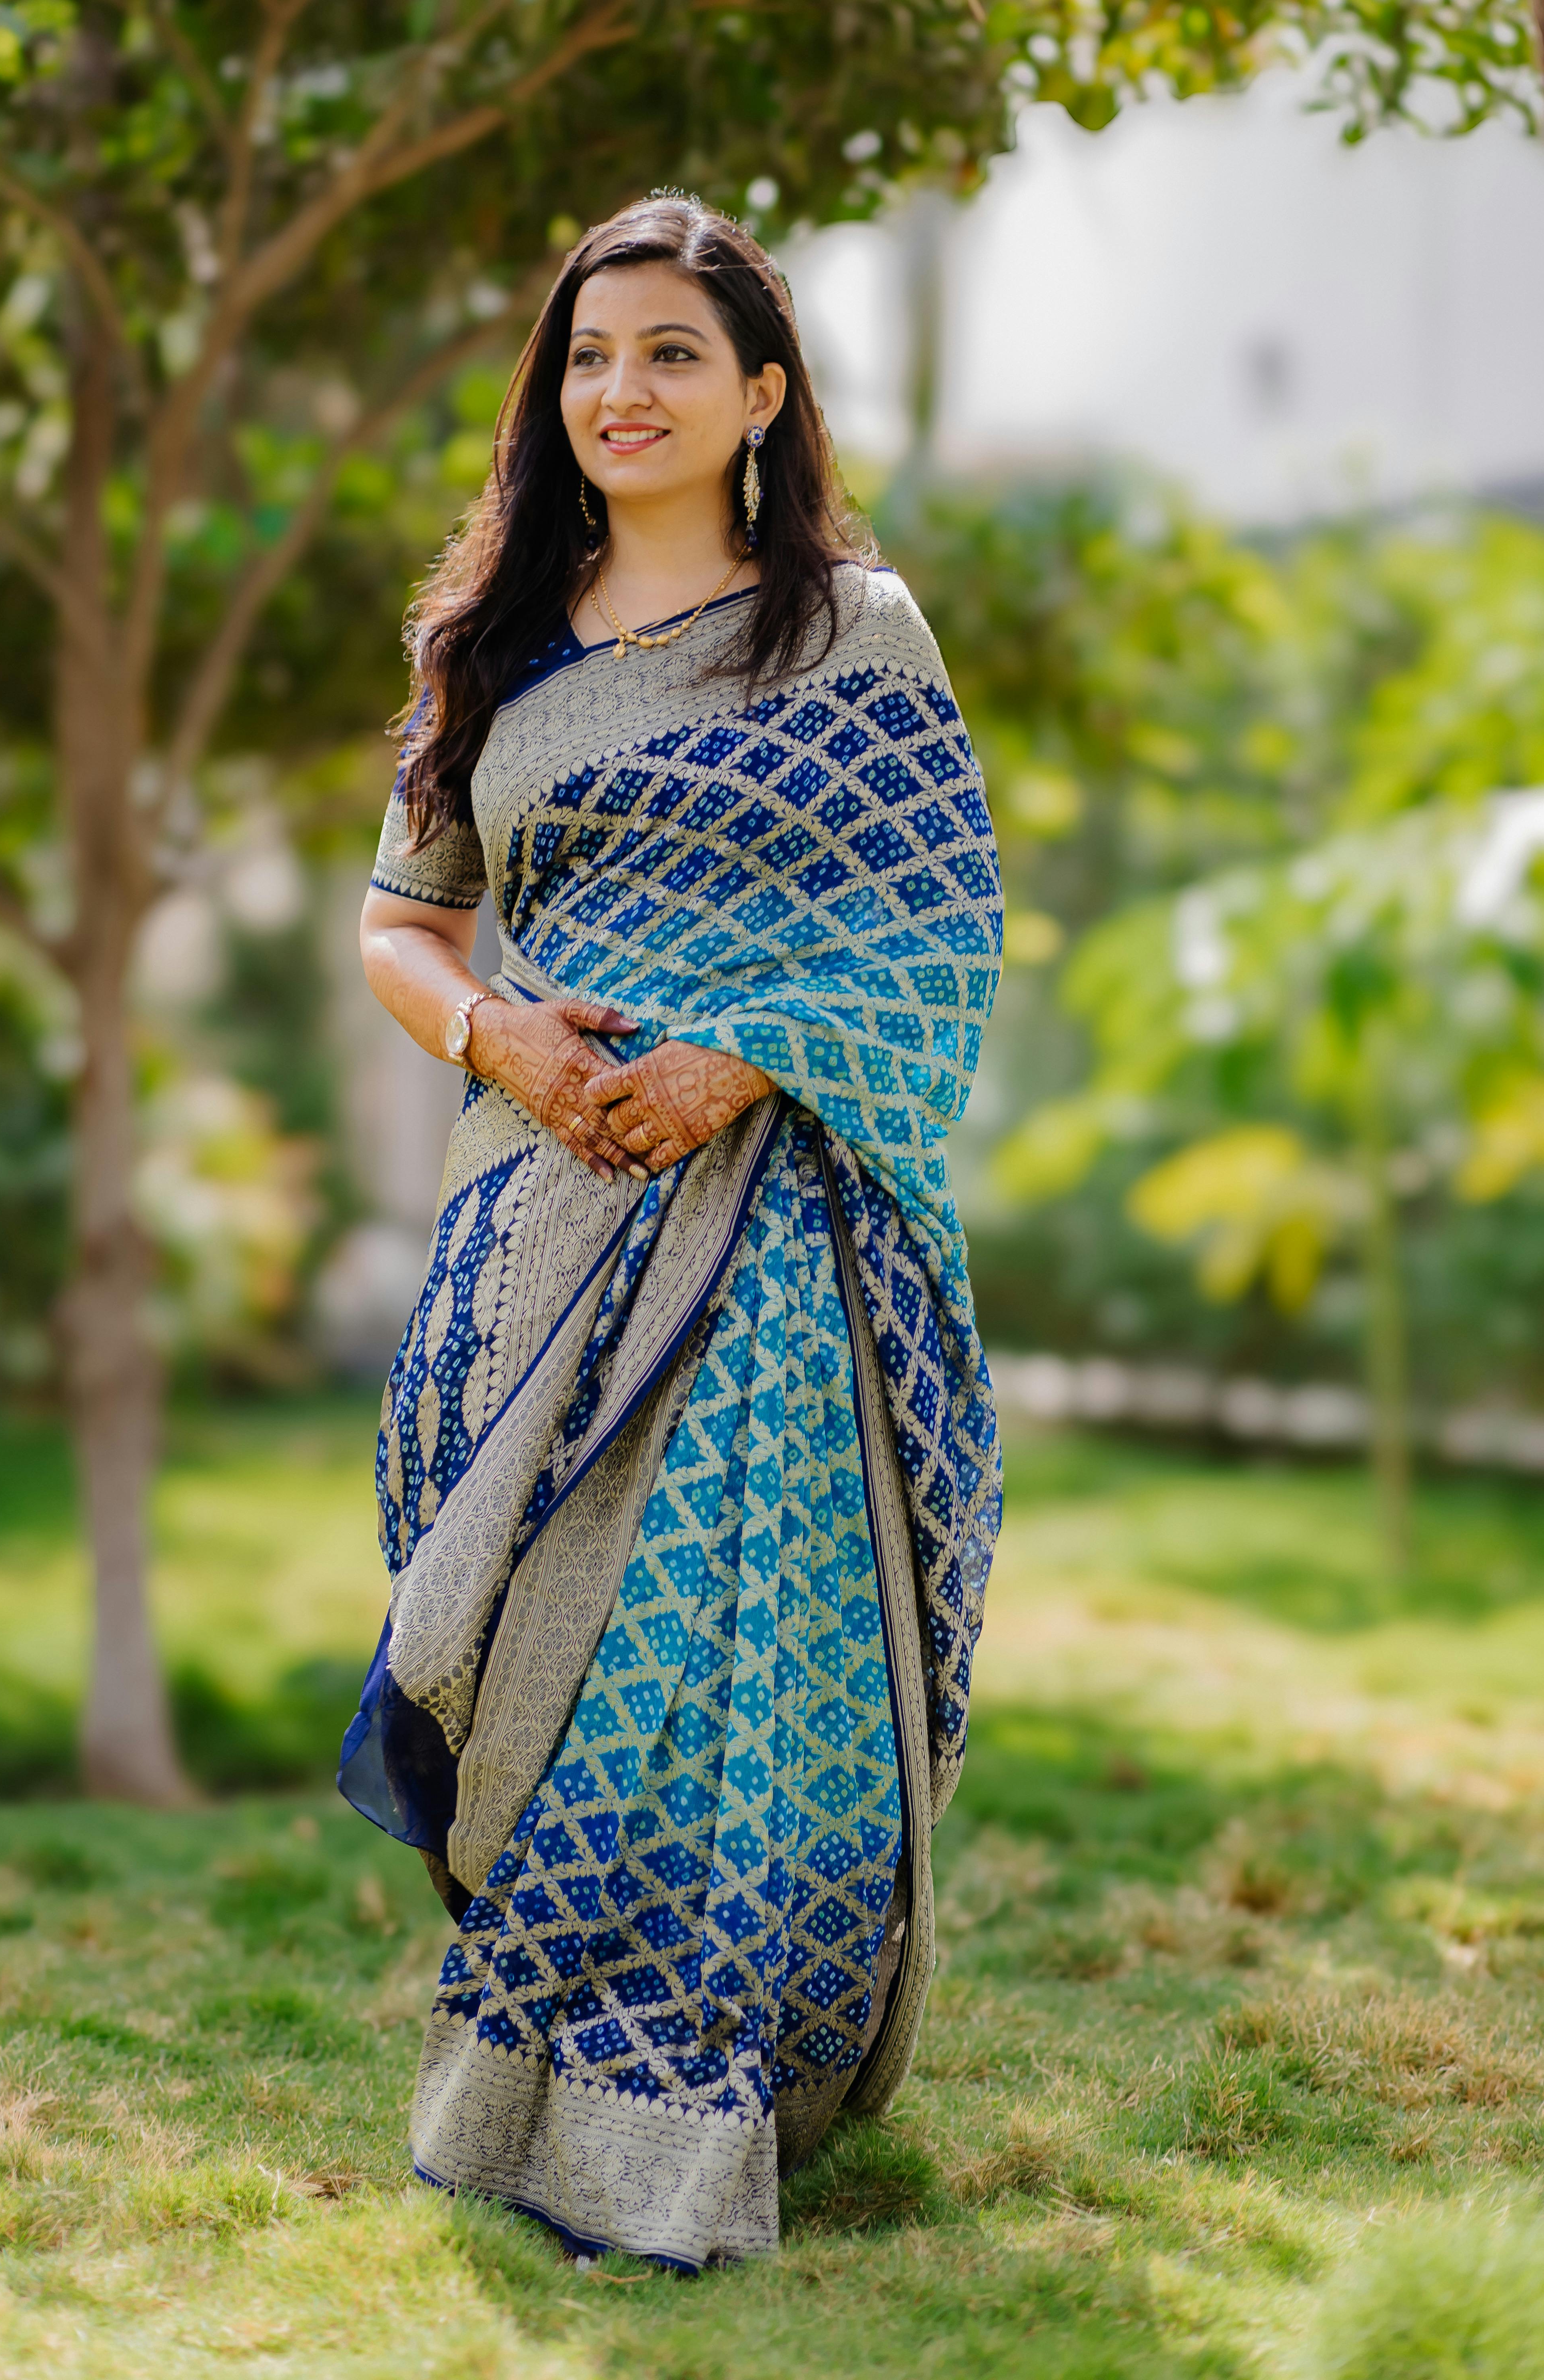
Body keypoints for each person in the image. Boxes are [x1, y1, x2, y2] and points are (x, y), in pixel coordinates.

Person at [340, 191, 1003, 2271]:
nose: (620, 390)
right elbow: (403, 923)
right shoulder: (494, 649)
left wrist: (748, 1058)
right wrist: (503, 1045)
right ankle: (551, 2065)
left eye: (671, 356)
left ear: (762, 397)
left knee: (724, 1656)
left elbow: (938, 925)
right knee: (536, 1641)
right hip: (548, 1214)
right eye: (589, 355)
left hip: (787, 1241)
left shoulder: (852, 633)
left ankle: (700, 2110)